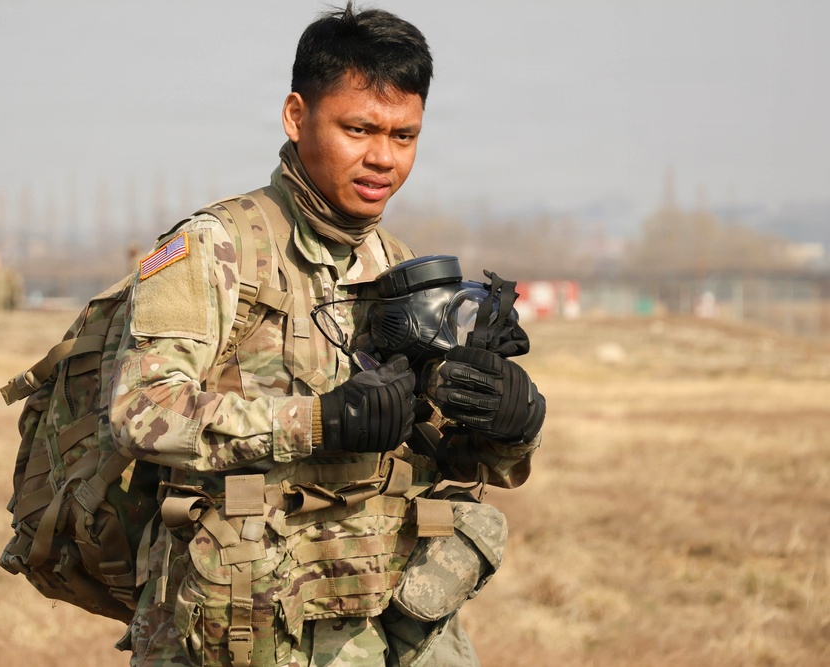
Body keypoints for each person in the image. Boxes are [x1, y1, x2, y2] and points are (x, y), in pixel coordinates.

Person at [109, 4, 544, 666]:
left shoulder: (395, 264)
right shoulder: (215, 249)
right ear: (295, 116)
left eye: (404, 136)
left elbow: (434, 459)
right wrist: (315, 421)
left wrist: (511, 424)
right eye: (359, 128)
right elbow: (140, 412)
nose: (382, 158)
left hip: (374, 621)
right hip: (240, 630)